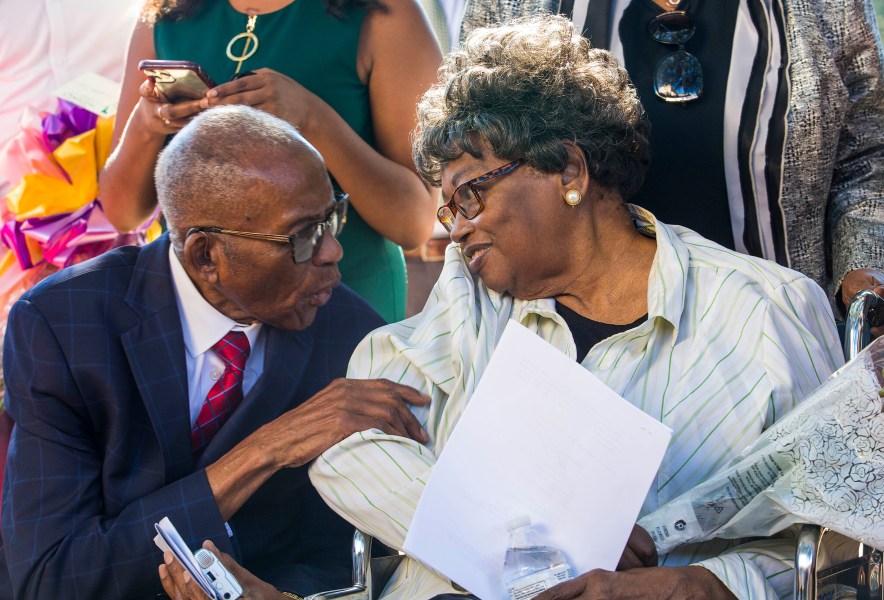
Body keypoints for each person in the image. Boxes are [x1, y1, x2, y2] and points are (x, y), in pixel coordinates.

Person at [161, 17, 845, 600]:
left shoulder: (764, 314)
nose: (455, 229)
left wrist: (707, 584)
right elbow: (348, 449)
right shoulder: (471, 297)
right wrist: (546, 547)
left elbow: (835, 539)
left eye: (469, 194)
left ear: (570, 171)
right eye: (447, 206)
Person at [0, 105, 431, 599]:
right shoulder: (65, 325)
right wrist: (265, 450)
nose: (332, 252)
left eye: (331, 218)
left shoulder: (350, 335)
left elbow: (338, 557)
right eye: (302, 236)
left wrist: (265, 595)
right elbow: (50, 577)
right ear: (205, 256)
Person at [460, 0, 884, 324]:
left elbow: (866, 155)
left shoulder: (825, 9)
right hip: (574, 350)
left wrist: (863, 267)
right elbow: (470, 164)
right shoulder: (509, 8)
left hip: (779, 335)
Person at [98, 0, 443, 323]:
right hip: (200, 316)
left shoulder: (384, 13)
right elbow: (123, 214)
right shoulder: (166, 13)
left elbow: (413, 224)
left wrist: (311, 118)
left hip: (337, 303)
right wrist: (145, 126)